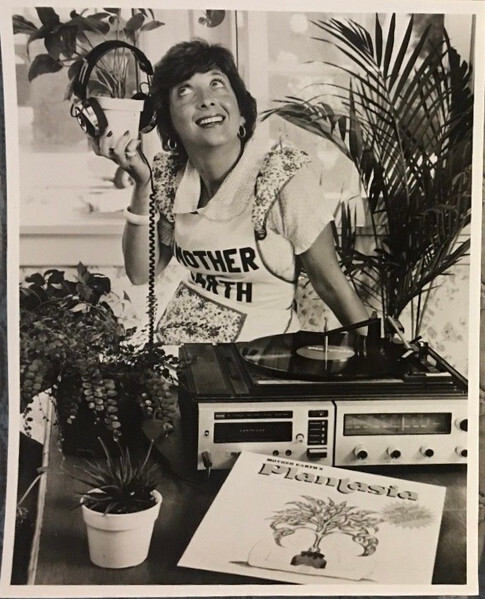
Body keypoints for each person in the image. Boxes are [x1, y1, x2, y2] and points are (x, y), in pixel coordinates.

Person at [90, 39, 369, 344]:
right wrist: (143, 183)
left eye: (217, 84)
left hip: (260, 357)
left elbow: (331, 284)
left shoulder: (283, 177)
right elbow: (141, 272)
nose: (206, 100)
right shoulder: (169, 177)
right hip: (178, 350)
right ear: (170, 123)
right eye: (185, 91)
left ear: (242, 113)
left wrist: (380, 355)